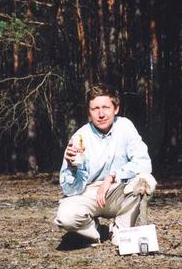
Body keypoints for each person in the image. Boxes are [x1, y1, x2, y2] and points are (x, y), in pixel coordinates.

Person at [55, 83, 157, 246]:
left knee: (146, 180)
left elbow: (144, 163)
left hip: (118, 190)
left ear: (115, 109)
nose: (101, 114)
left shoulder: (125, 126)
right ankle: (95, 231)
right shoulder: (80, 137)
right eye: (95, 109)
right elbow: (70, 191)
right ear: (89, 112)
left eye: (106, 107)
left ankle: (120, 230)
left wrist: (112, 176)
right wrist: (71, 168)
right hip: (89, 193)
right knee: (65, 217)